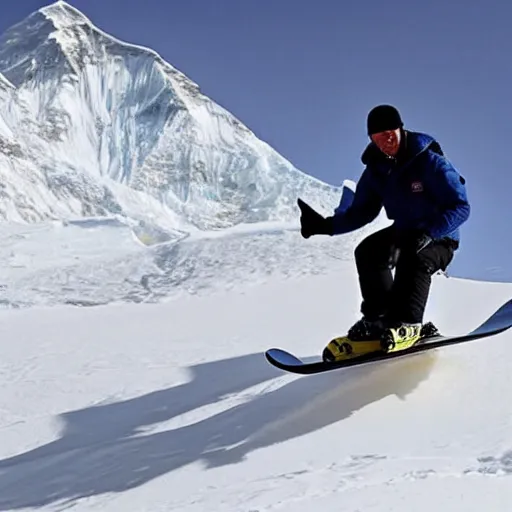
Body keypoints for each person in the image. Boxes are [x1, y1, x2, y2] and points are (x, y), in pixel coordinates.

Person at [297, 105, 470, 361]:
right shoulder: (377, 171)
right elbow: (362, 212)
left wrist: (430, 233)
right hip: (405, 231)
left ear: (400, 129)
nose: (385, 141)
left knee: (415, 256)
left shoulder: (429, 161)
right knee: (368, 251)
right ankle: (378, 319)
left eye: (389, 134)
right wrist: (325, 226)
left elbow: (460, 206)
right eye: (378, 138)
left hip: (441, 237)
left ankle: (409, 323)